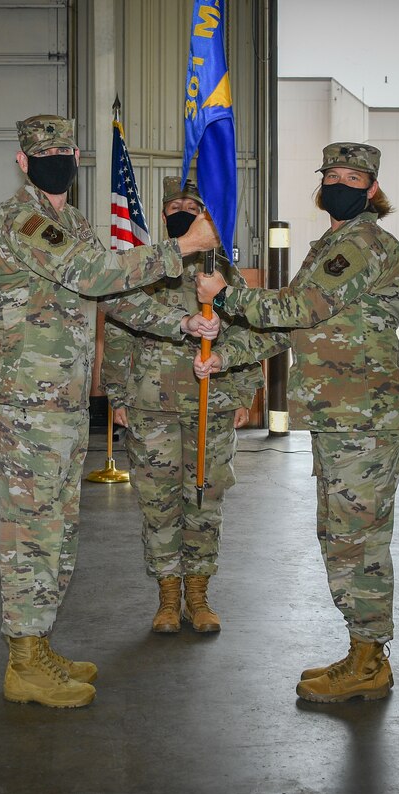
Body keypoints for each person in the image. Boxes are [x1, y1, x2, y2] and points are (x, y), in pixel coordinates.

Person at [0, 114, 220, 709]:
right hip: (27, 404)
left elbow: (114, 297)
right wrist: (179, 249)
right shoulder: (23, 220)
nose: (55, 159)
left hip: (61, 404)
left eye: (64, 151)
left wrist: (181, 322)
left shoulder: (73, 223)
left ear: (78, 155)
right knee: (30, 531)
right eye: (43, 153)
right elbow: (94, 274)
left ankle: (38, 647)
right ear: (22, 162)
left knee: (58, 529)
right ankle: (22, 662)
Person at [195, 142, 399, 703]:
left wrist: (230, 292)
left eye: (352, 176)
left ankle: (369, 659)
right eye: (331, 174)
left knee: (356, 538)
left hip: (363, 417)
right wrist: (227, 354)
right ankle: (363, 651)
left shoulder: (362, 244)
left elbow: (298, 309)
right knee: (342, 534)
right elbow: (289, 326)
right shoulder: (332, 245)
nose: (339, 183)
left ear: (371, 188)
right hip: (343, 415)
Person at [101, 177, 285, 635]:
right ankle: (167, 600)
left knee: (203, 500)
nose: (182, 209)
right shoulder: (145, 268)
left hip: (213, 403)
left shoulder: (220, 270)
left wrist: (245, 392)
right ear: (164, 215)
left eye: (191, 204)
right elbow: (120, 333)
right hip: (151, 405)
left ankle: (199, 598)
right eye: (175, 205)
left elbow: (249, 331)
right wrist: (117, 396)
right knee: (159, 504)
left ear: (204, 212)